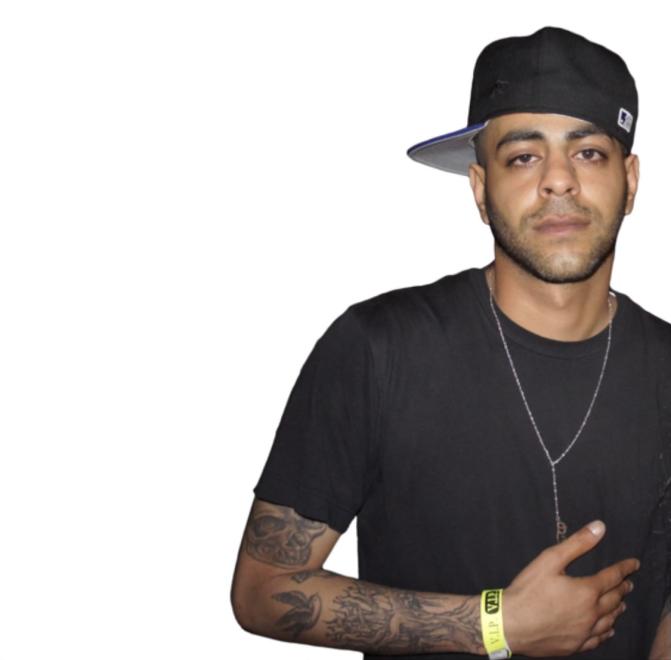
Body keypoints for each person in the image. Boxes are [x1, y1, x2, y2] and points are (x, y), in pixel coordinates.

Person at [230, 26, 671, 659]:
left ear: (630, 180)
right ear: (479, 190)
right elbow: (262, 590)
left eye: (588, 152)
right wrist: (496, 624)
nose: (559, 181)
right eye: (523, 156)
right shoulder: (378, 349)